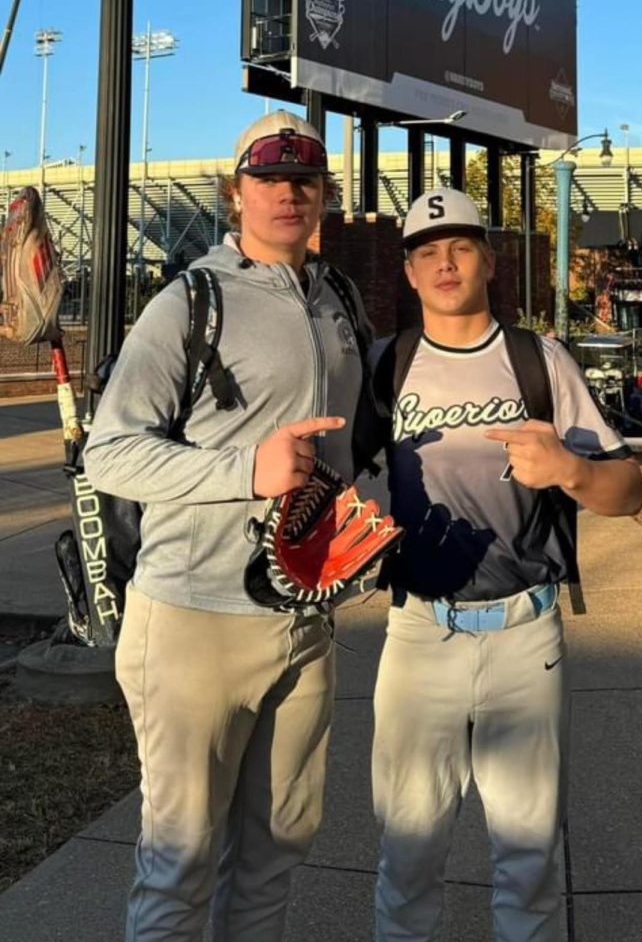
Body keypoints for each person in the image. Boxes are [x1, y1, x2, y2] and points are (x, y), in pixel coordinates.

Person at [83, 109, 373, 942]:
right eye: (270, 177)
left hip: (302, 622)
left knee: (278, 851)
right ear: (235, 191)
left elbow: (351, 447)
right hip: (192, 620)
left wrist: (361, 510)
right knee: (180, 864)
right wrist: (247, 471)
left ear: (323, 194)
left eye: (305, 179)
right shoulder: (190, 301)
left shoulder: (338, 300)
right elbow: (111, 455)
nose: (289, 192)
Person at [371, 187, 642, 942]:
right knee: (407, 856)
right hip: (420, 633)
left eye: (460, 246)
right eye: (426, 251)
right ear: (410, 271)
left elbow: (627, 491)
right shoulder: (386, 364)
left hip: (526, 633)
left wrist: (571, 471)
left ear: (489, 259)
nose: (445, 262)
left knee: (528, 866)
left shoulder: (537, 358)